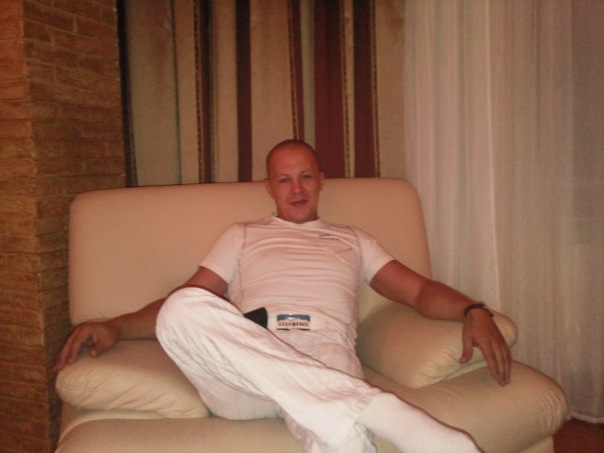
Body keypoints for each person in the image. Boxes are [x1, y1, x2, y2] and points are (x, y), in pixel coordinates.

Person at [55, 140, 511, 453]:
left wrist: (472, 310)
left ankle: (365, 412)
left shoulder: (353, 240)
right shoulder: (242, 235)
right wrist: (115, 325)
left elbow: (418, 290)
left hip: (325, 354)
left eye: (305, 177)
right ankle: (384, 411)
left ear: (321, 180)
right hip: (246, 364)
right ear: (269, 187)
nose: (296, 189)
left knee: (344, 439)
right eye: (285, 180)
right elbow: (188, 307)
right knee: (181, 306)